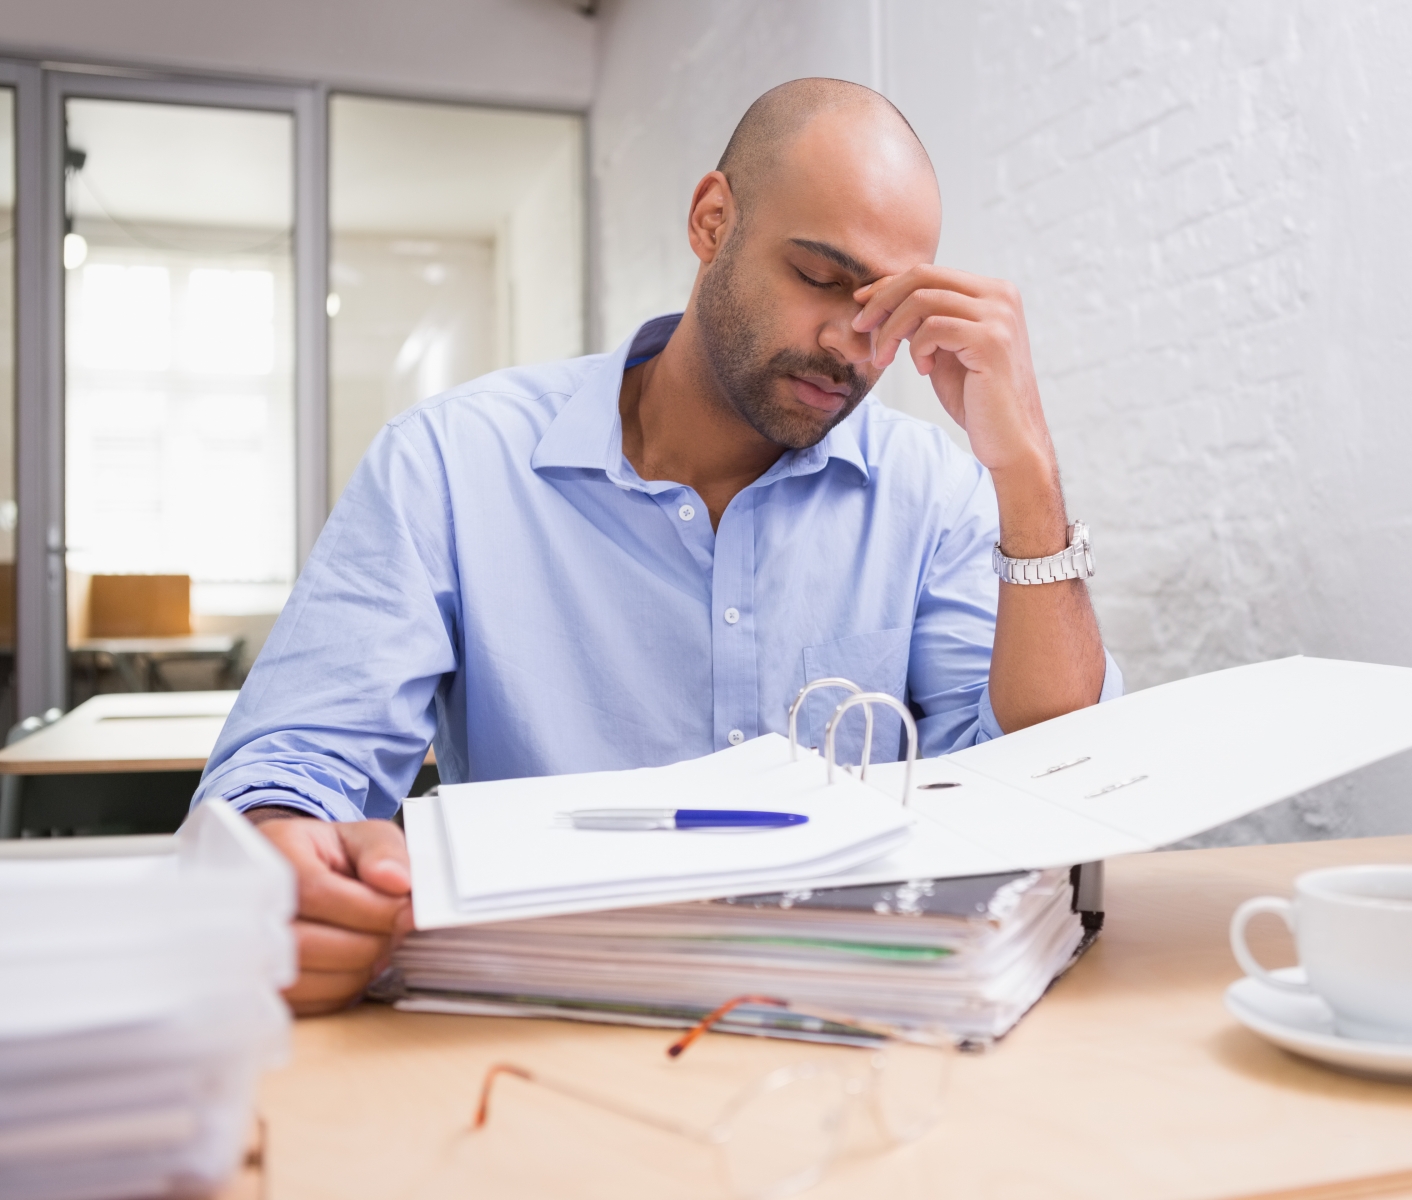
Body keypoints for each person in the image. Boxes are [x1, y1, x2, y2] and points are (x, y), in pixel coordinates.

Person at [195, 78, 1120, 1014]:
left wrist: (1028, 471)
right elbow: (295, 762)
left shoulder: (932, 494)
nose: (854, 345)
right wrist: (285, 849)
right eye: (819, 278)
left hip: (856, 1026)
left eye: (886, 309)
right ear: (713, 221)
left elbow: (1044, 780)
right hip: (545, 1034)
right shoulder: (451, 463)